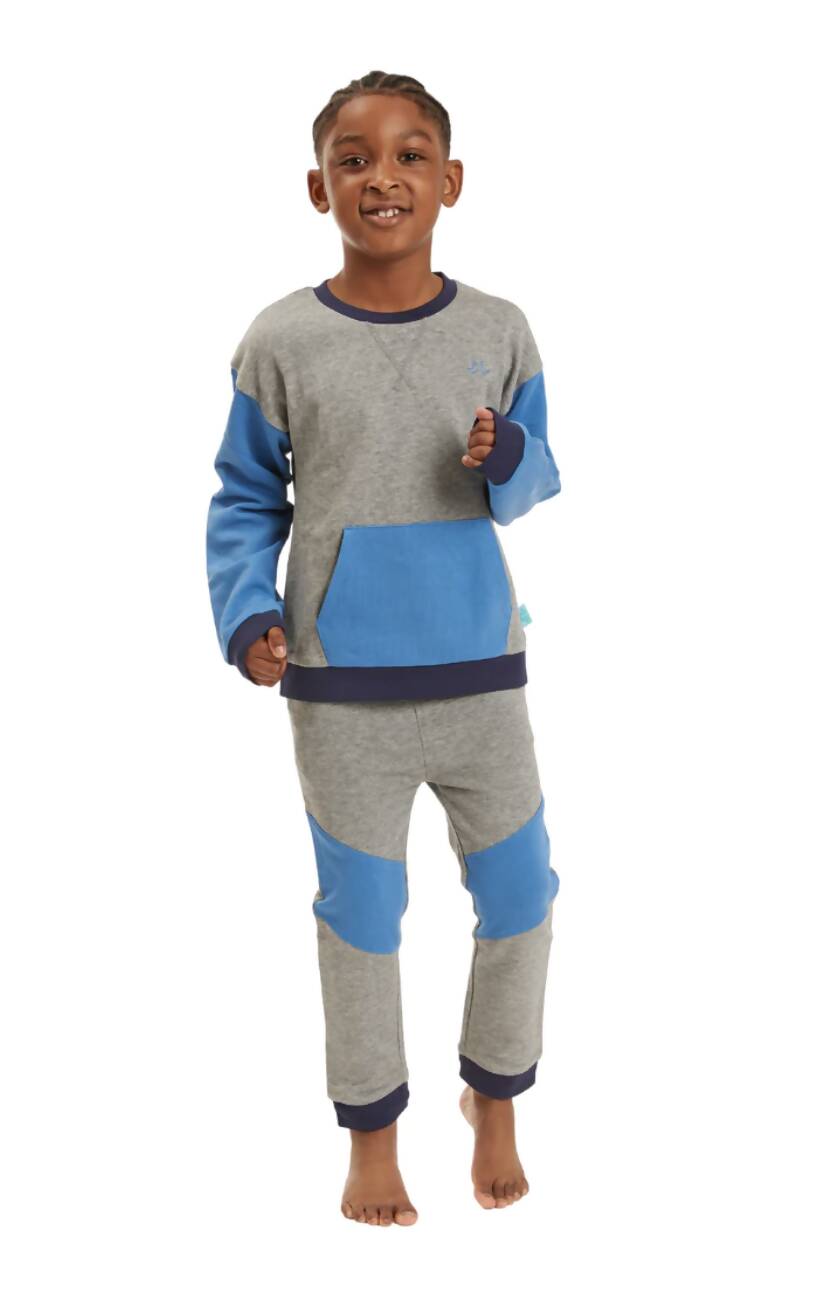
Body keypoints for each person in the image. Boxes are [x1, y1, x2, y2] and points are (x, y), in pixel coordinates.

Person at [205, 69, 563, 1226]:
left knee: (521, 893)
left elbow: (537, 480)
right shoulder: (280, 339)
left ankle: (493, 1097)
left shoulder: (500, 329)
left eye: (410, 155)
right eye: (353, 159)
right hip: (340, 686)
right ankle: (372, 1134)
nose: (383, 177)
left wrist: (506, 457)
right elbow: (244, 496)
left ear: (450, 180)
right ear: (319, 188)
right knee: (361, 916)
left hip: (479, 678)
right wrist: (246, 613)